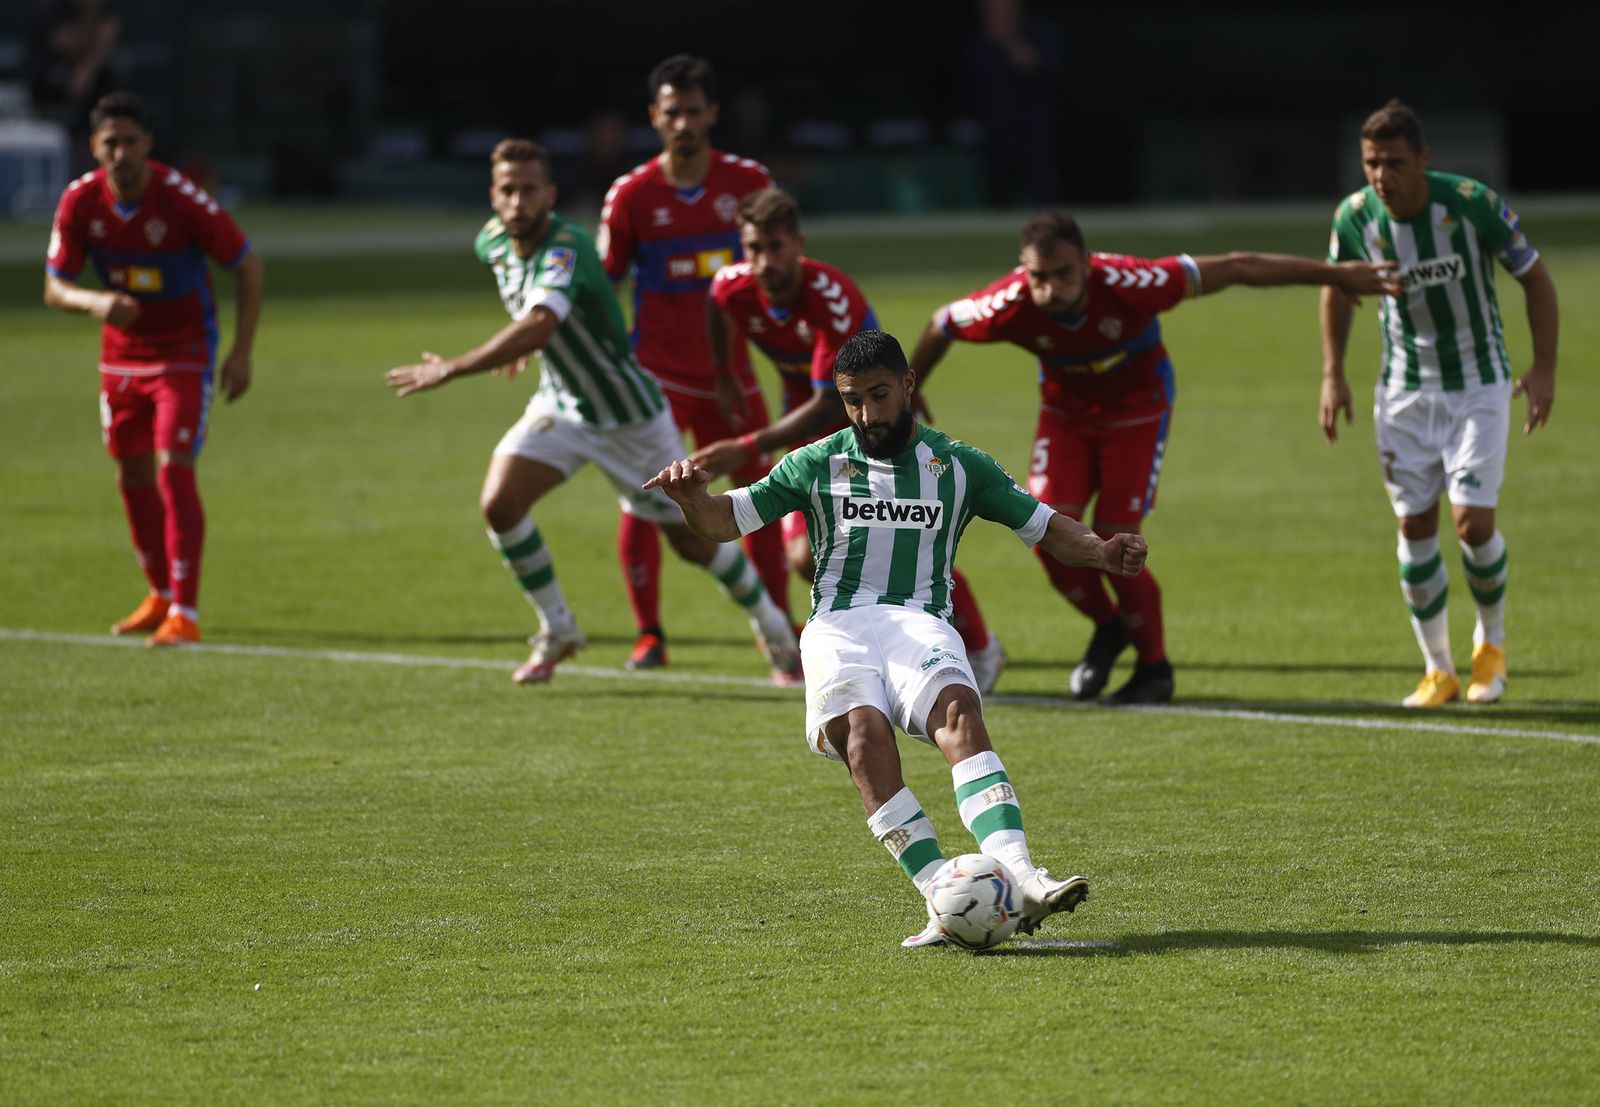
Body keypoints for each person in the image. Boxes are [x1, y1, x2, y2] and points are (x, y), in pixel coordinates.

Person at [646, 329, 1149, 947]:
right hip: (838, 624)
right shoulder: (816, 461)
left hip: (918, 617)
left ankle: (1021, 877)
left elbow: (1046, 528)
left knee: (958, 711)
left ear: (908, 385)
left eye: (879, 395)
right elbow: (727, 521)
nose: (866, 414)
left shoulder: (960, 465)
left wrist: (1102, 551)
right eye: (852, 399)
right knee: (863, 738)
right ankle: (944, 895)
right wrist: (692, 499)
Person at [909, 213, 1400, 704]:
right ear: (1023, 270)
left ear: (1087, 264)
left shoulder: (1132, 282)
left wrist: (1334, 274)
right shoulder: (1008, 304)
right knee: (1045, 531)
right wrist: (913, 389)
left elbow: (1235, 266)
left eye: (1063, 274)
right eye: (1038, 277)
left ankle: (1155, 668)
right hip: (1067, 415)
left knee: (1116, 531)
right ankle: (1112, 627)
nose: (1050, 289)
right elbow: (940, 324)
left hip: (1138, 408)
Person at [384, 138, 800, 687]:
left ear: (550, 194)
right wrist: (522, 347)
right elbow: (531, 322)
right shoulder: (490, 242)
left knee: (693, 542)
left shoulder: (568, 245)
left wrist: (460, 365)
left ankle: (772, 627)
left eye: (529, 190)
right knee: (500, 504)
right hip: (562, 405)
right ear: (493, 195)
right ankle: (558, 628)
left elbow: (541, 322)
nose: (517, 202)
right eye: (507, 190)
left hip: (628, 417)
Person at [691, 187, 1009, 695]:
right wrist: (725, 373)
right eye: (753, 249)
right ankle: (888, 628)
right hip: (809, 408)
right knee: (805, 557)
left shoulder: (830, 300)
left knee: (909, 531)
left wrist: (747, 445)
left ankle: (978, 643)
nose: (764, 261)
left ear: (798, 245)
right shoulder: (733, 285)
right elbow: (716, 302)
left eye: (775, 247)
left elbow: (827, 403)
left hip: (868, 413)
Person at [1320, 100, 1558, 708]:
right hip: (1402, 393)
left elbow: (1534, 276)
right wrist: (1332, 374)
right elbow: (1337, 289)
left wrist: (1545, 368)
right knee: (1415, 525)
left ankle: (1492, 648)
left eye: (1395, 162)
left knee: (1473, 524)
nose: (1381, 176)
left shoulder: (1471, 204)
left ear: (1424, 159)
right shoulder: (1354, 216)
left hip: (1479, 385)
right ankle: (1438, 669)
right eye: (1372, 163)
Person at [44, 90, 263, 646]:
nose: (121, 152)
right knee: (131, 473)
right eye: (110, 142)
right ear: (93, 147)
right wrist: (96, 303)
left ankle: (185, 612)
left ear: (149, 145)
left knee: (174, 466)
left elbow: (247, 263)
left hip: (183, 351)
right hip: (120, 356)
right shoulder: (79, 202)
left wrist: (240, 352)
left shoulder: (180, 198)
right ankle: (159, 594)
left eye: (131, 141)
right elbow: (54, 286)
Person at [598, 54, 791, 673]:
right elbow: (603, 287)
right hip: (654, 380)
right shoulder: (630, 196)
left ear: (712, 113)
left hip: (731, 379)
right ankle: (649, 633)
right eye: (670, 111)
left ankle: (778, 630)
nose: (682, 122)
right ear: (654, 116)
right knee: (646, 499)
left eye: (693, 110)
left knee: (759, 497)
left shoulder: (749, 183)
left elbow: (782, 271)